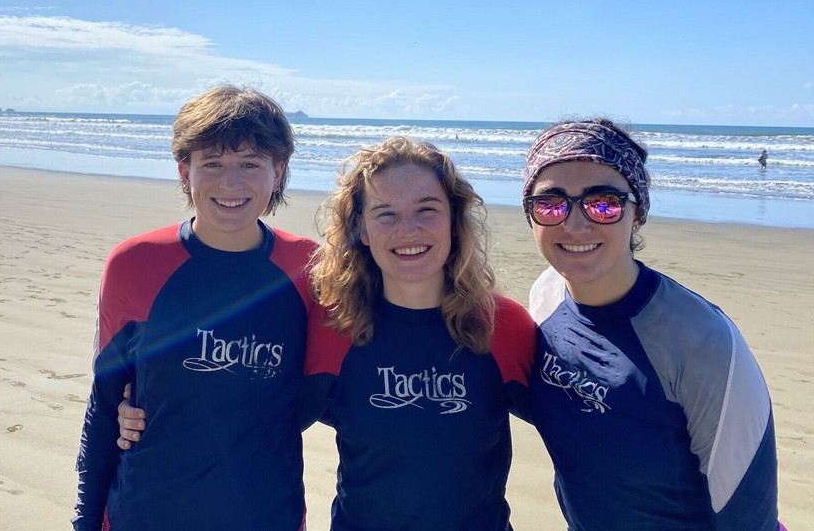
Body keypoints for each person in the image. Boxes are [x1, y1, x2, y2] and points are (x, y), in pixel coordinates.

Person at [117, 136, 536, 530]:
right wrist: (143, 407)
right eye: (384, 212)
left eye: (427, 209)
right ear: (362, 230)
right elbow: (250, 411)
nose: (407, 229)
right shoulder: (335, 328)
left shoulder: (502, 327)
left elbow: (583, 426)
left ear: (454, 220)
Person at [72, 86, 317, 531]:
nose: (231, 183)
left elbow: (339, 389)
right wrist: (84, 522)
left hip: (266, 514)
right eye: (212, 163)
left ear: (278, 172)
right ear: (185, 172)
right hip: (144, 513)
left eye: (250, 164)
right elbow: (106, 403)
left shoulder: (312, 270)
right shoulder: (134, 263)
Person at [522, 118, 785, 530]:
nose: (574, 224)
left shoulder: (706, 344)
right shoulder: (545, 298)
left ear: (638, 212)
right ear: (531, 217)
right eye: (551, 204)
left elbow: (749, 516)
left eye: (603, 202)